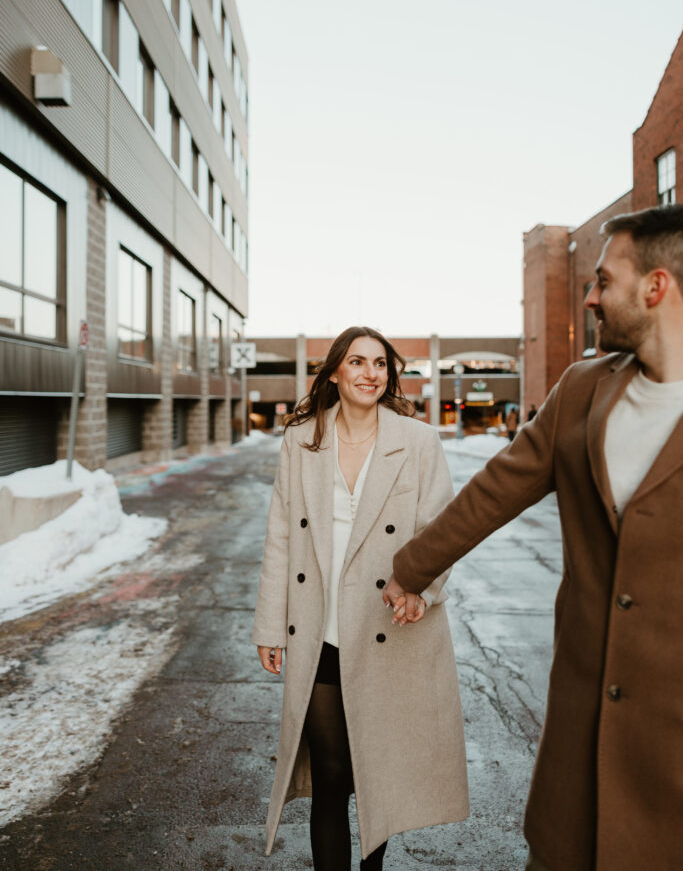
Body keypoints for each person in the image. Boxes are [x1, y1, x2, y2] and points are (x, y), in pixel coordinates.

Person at [383, 205, 683, 871]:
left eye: (603, 280)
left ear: (654, 287)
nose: (590, 296)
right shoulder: (582, 390)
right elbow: (494, 490)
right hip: (580, 747)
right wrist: (409, 569)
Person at [253, 327, 469, 869]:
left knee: (376, 780)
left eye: (379, 364)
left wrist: (423, 588)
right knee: (332, 777)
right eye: (357, 362)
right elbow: (280, 535)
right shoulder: (302, 440)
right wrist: (269, 626)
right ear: (333, 373)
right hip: (319, 629)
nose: (371, 373)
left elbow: (439, 530)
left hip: (385, 631)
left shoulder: (417, 442)